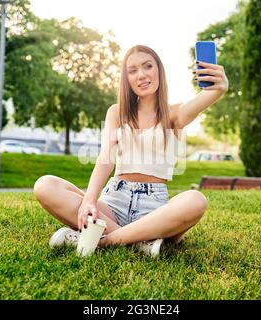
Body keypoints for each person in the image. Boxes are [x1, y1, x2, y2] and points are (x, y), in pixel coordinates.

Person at [34, 45, 228, 257]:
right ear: (126, 78)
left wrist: (219, 88)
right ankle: (139, 243)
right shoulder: (116, 112)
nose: (141, 75)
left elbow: (208, 95)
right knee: (45, 185)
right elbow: (105, 159)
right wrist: (89, 200)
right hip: (114, 201)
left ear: (159, 71)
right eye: (132, 70)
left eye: (148, 66)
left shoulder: (175, 114)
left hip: (153, 209)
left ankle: (102, 241)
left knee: (196, 200)